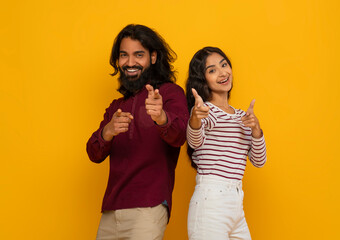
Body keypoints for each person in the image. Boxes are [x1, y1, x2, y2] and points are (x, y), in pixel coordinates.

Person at [86, 24, 189, 240]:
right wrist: (107, 131)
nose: (130, 62)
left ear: (153, 57)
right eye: (124, 55)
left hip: (149, 207)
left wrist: (161, 117)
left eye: (138, 55)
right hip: (111, 211)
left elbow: (180, 136)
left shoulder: (170, 93)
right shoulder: (116, 106)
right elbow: (94, 154)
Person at [185, 47, 267, 240]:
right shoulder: (206, 112)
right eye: (212, 70)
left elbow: (259, 160)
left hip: (236, 202)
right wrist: (195, 119)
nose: (222, 72)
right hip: (211, 201)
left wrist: (256, 131)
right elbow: (194, 141)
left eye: (224, 65)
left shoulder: (241, 116)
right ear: (202, 79)